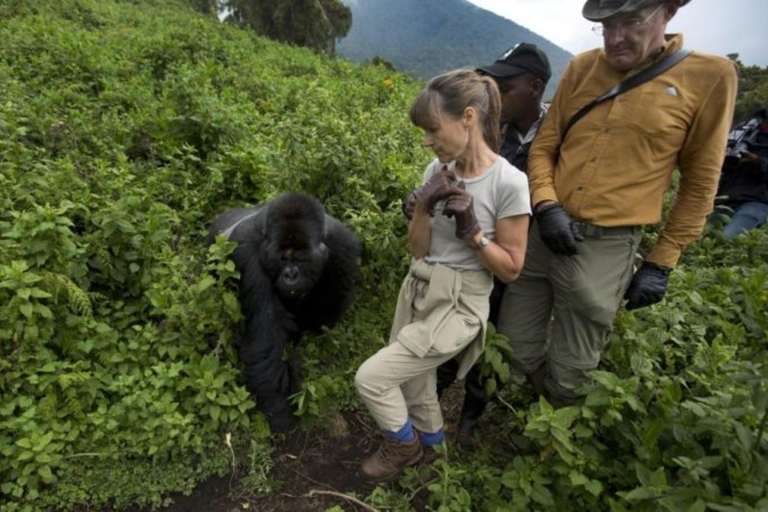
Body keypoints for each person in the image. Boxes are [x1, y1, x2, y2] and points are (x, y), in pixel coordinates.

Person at [496, 0, 738, 407]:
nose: (614, 38)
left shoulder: (710, 77)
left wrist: (662, 261)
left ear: (668, 13)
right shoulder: (584, 67)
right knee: (514, 343)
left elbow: (700, 183)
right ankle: (541, 400)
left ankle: (557, 431)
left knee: (574, 364)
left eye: (629, 22)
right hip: (544, 228)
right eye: (606, 26)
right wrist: (547, 203)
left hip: (607, 244)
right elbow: (545, 147)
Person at [355, 69, 531, 481]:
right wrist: (422, 207)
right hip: (419, 286)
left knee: (372, 378)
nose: (427, 141)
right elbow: (417, 248)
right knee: (416, 385)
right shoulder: (438, 168)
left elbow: (512, 269)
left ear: (467, 117)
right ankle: (434, 458)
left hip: (460, 301)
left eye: (433, 129)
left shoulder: (510, 182)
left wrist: (473, 231)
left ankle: (404, 445)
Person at [434, 42, 551, 446]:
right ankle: (431, 399)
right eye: (492, 84)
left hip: (517, 256)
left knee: (496, 337)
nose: (494, 94)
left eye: (506, 85)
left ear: (535, 87)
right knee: (453, 327)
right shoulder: (491, 130)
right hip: (474, 251)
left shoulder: (557, 135)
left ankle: (470, 416)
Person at [713, 103, 768, 238]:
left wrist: (758, 161)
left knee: (726, 238)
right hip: (727, 196)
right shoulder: (747, 127)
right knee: (698, 236)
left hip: (757, 201)